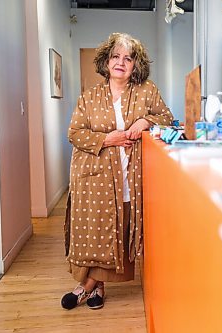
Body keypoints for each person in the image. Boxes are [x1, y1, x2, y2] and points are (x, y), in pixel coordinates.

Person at [61, 32, 173, 310]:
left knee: (118, 230)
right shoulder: (89, 97)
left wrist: (145, 121)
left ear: (136, 65)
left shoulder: (147, 90)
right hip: (94, 177)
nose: (121, 62)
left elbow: (167, 119)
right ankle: (93, 287)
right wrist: (107, 139)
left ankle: (89, 287)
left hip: (130, 175)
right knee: (95, 231)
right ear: (106, 61)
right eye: (116, 56)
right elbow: (74, 133)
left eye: (128, 58)